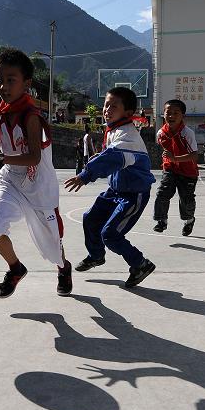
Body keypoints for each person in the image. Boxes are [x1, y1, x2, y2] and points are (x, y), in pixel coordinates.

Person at [0, 48, 72, 298]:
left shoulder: (31, 117)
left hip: (38, 185)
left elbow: (34, 156)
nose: (3, 86)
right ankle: (15, 268)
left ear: (26, 83)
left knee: (52, 243)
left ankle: (63, 268)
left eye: (11, 80)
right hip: (11, 180)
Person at [65, 87, 156, 288]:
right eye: (106, 104)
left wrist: (85, 175)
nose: (107, 109)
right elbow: (109, 158)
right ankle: (96, 255)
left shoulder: (128, 135)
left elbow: (112, 157)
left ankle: (140, 264)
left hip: (134, 194)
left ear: (128, 113)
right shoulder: (114, 130)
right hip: (115, 191)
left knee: (110, 234)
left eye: (114, 106)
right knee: (90, 219)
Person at [153, 99, 198, 236]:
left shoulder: (187, 133)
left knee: (186, 199)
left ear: (182, 116)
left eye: (175, 113)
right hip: (170, 169)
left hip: (188, 172)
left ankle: (189, 220)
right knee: (162, 193)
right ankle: (162, 220)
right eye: (168, 112)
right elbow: (166, 152)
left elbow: (194, 155)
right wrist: (170, 160)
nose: (171, 116)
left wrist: (175, 158)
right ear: (164, 114)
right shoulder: (161, 133)